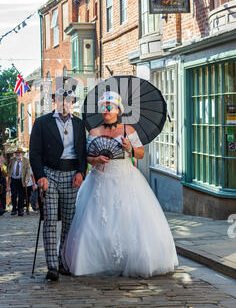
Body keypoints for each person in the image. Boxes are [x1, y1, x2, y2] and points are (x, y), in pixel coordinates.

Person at [62, 91, 179, 278]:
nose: (106, 110)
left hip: (126, 178)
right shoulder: (94, 132)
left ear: (118, 110)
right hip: (100, 181)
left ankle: (128, 259)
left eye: (109, 106)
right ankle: (98, 260)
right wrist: (97, 159)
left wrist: (129, 148)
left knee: (129, 220)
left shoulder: (128, 131)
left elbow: (141, 154)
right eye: (103, 107)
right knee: (96, 223)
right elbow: (89, 158)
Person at [29, 80, 87, 281]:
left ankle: (64, 261)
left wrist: (81, 172)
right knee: (51, 220)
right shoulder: (41, 122)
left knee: (70, 222)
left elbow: (82, 152)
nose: (65, 102)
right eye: (61, 98)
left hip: (72, 175)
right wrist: (40, 177)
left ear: (72, 102)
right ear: (54, 100)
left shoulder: (80, 125)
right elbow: (34, 153)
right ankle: (52, 265)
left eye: (69, 99)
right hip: (50, 174)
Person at [7, 148, 30, 216]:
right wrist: (9, 175)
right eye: (17, 153)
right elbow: (9, 168)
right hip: (13, 179)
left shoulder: (26, 161)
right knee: (13, 195)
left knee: (21, 195)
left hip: (21, 180)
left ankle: (20, 209)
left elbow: (28, 171)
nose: (18, 154)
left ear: (22, 154)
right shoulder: (12, 160)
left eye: (20, 153)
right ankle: (14, 209)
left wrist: (27, 179)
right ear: (15, 153)